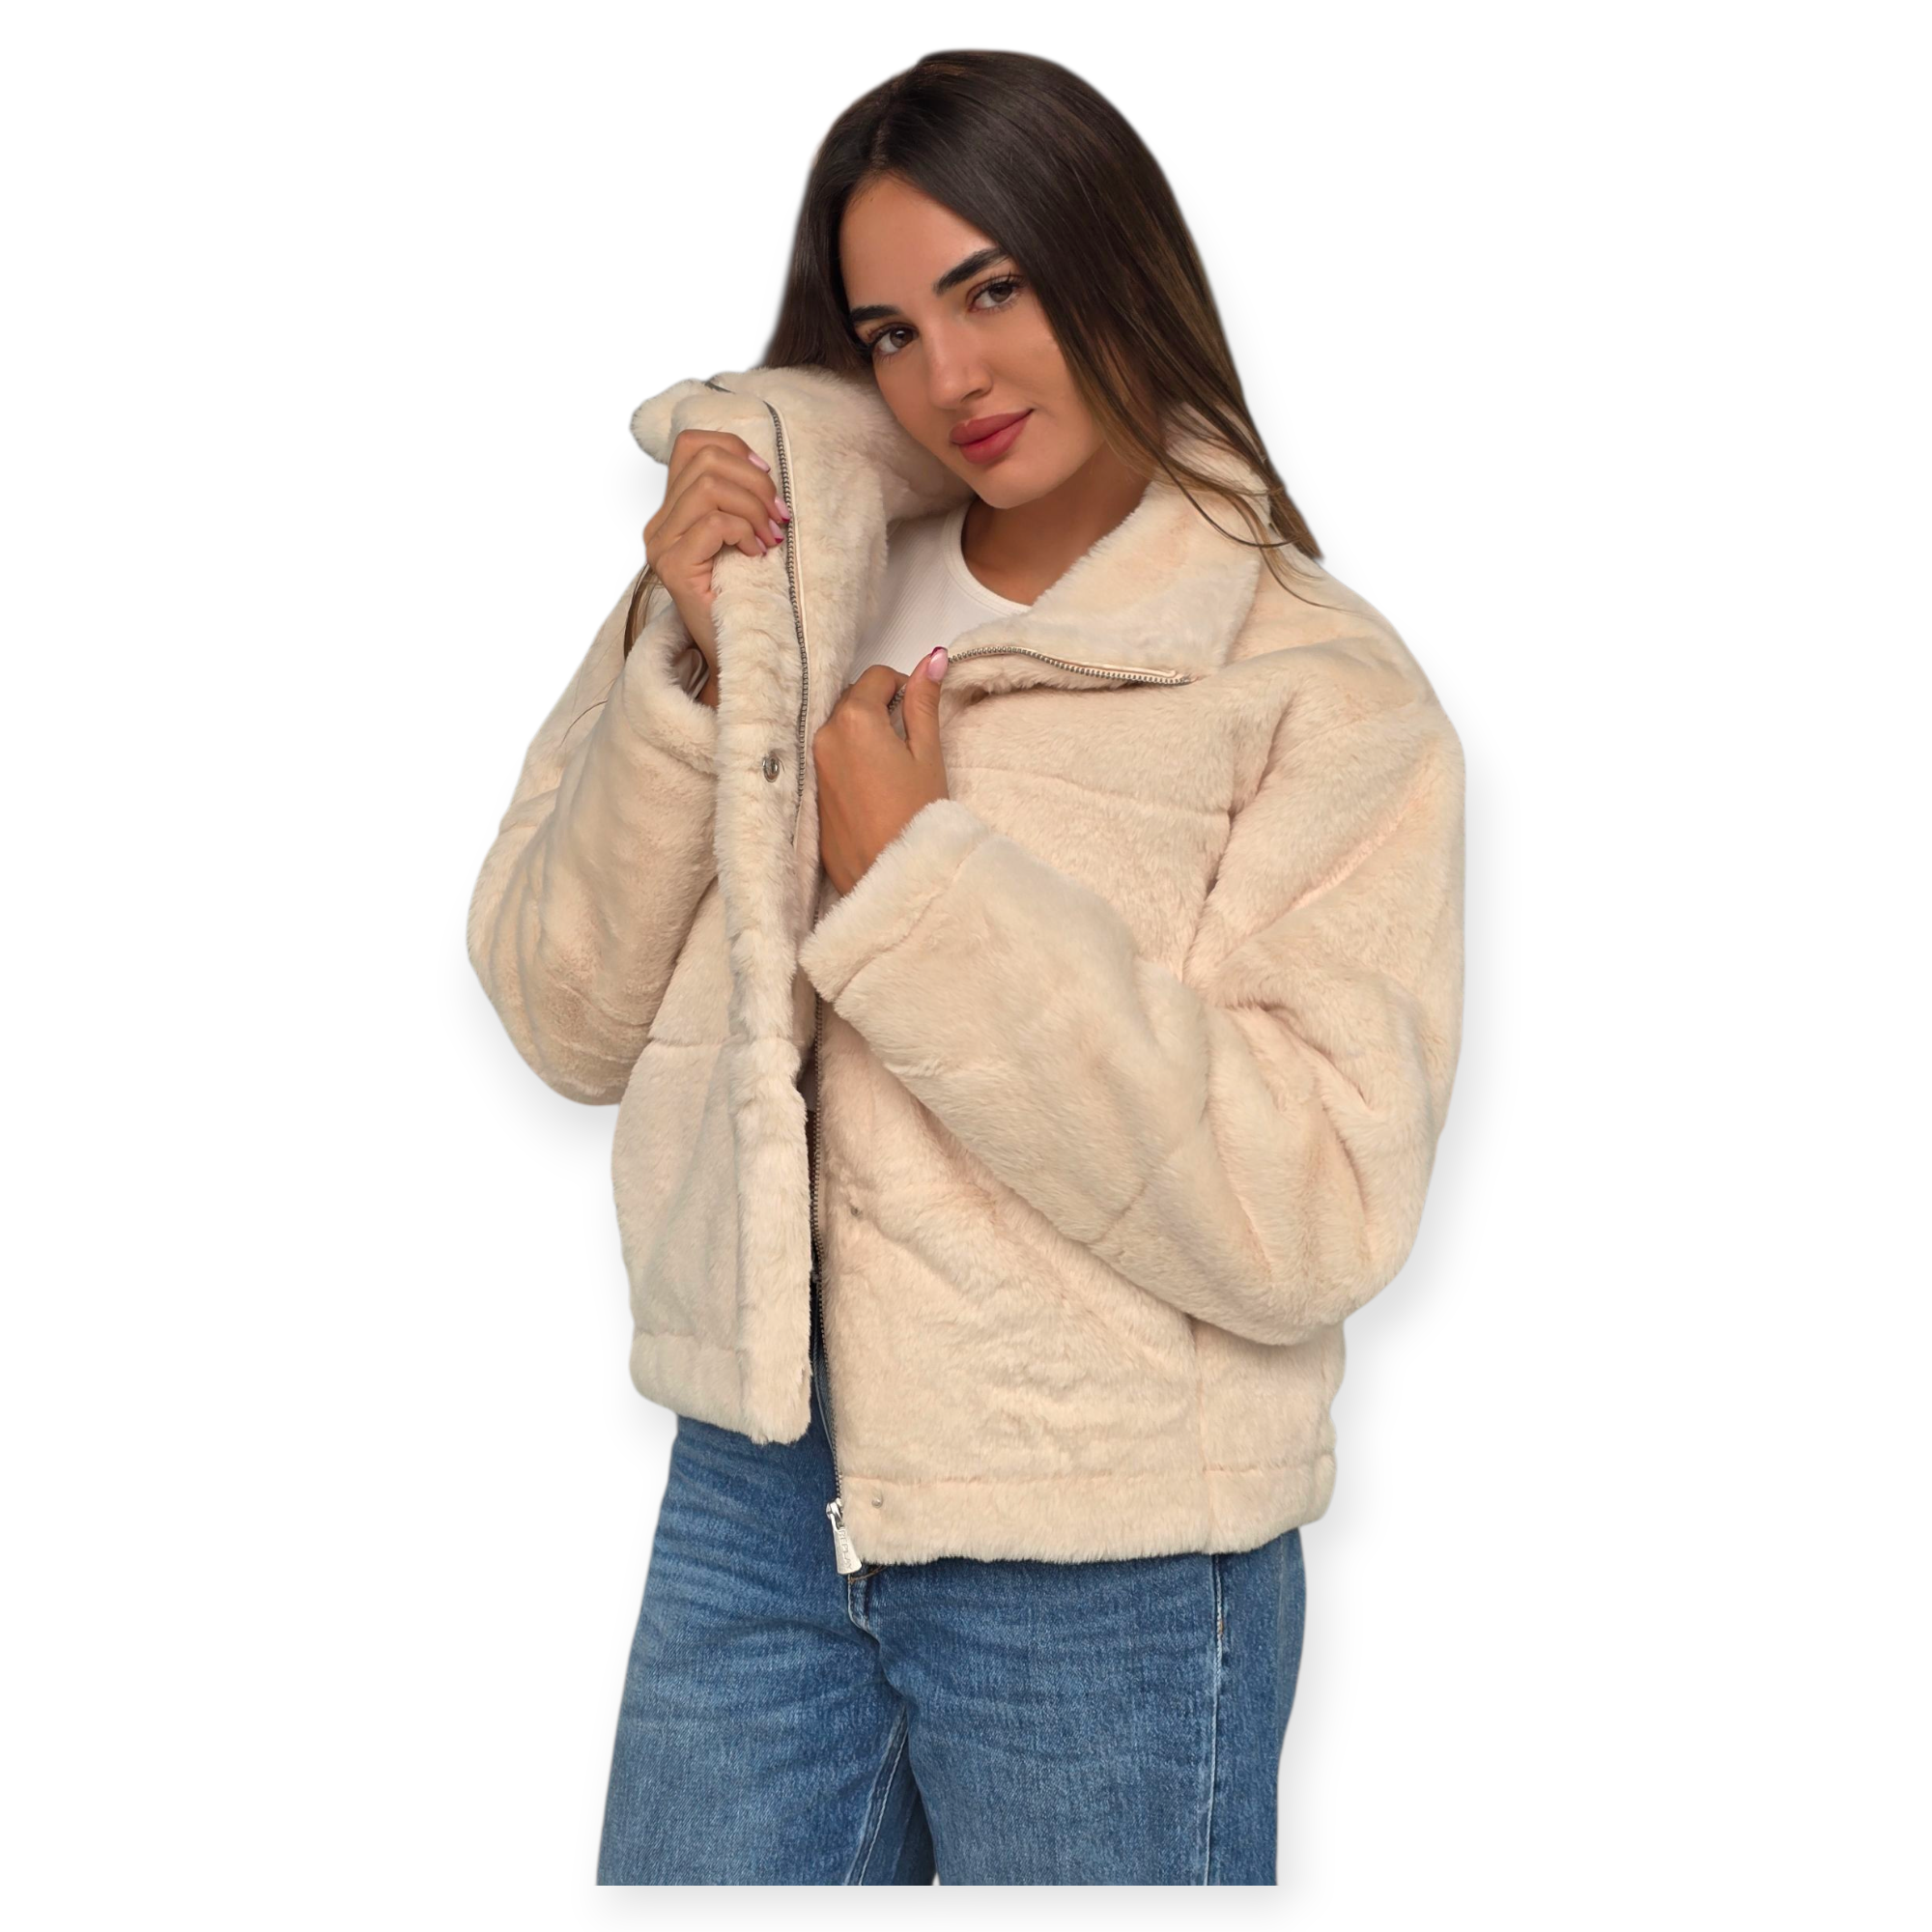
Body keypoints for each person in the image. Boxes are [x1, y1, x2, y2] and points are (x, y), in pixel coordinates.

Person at [466, 48, 1465, 1886]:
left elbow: (1317, 1205)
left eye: (992, 289)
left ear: (1112, 258)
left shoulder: (1311, 689)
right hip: (759, 1494)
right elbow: (559, 1012)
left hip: (1109, 1548)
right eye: (891, 330)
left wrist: (923, 885)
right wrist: (693, 667)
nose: (952, 378)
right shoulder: (785, 595)